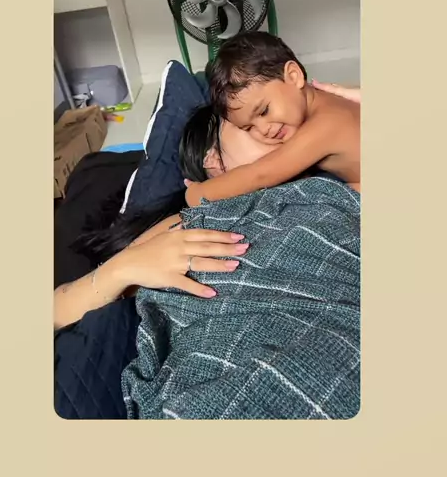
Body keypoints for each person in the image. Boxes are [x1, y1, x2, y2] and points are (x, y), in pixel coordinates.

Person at [54, 105, 284, 330]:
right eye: (247, 127)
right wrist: (122, 269)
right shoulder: (188, 224)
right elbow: (59, 314)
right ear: (213, 160)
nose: (270, 126)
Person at [185, 32, 360, 206]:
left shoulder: (324, 125)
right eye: (249, 128)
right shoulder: (321, 108)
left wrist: (200, 193)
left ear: (293, 76)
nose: (263, 129)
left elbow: (260, 174)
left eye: (264, 111)